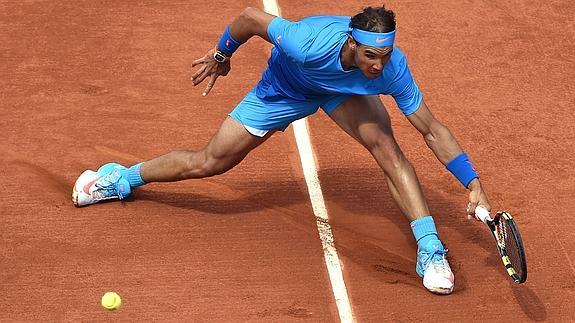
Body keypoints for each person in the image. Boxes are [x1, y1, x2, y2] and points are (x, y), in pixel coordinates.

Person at [72, 5, 491, 295]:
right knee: (211, 161)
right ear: (350, 42)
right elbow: (250, 18)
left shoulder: (390, 67)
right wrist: (222, 54)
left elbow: (432, 130)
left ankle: (431, 250)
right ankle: (120, 178)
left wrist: (472, 182)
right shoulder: (305, 41)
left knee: (387, 147)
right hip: (283, 90)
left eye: (384, 56)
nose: (378, 66)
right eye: (370, 56)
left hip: (341, 93)